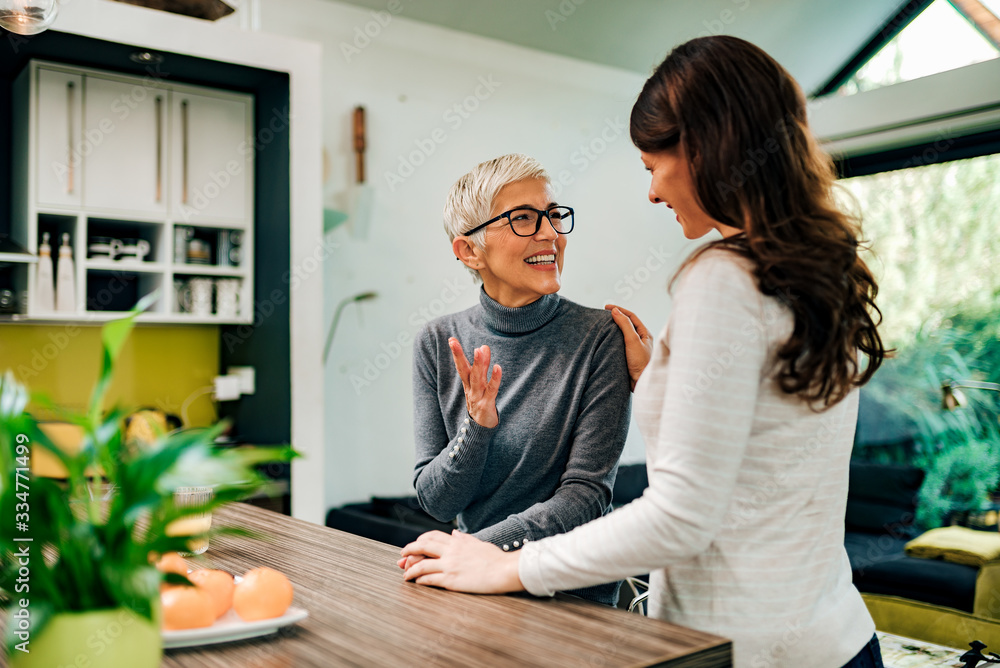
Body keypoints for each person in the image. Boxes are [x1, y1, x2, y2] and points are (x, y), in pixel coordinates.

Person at [400, 36, 888, 668]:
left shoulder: (722, 277)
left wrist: (508, 565)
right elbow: (767, 449)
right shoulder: (820, 272)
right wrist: (665, 376)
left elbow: (679, 516)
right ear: (468, 249)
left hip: (741, 649)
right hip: (837, 638)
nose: (654, 191)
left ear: (704, 150)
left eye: (653, 165)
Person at [406, 153, 632, 606]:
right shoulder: (437, 341)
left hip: (569, 596)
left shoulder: (600, 337)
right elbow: (435, 501)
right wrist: (476, 429)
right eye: (524, 219)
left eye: (552, 216)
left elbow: (586, 495)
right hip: (470, 592)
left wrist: (476, 551)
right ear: (469, 249)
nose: (550, 233)